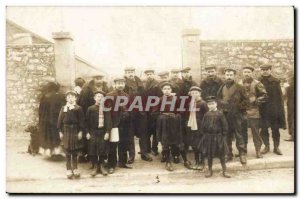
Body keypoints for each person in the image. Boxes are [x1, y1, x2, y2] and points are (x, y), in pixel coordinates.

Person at [154, 81, 192, 171]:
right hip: (164, 122)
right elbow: (154, 112)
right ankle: (168, 161)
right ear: (162, 90)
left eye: (168, 89)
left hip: (175, 122)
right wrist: (161, 117)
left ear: (171, 90)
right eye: (165, 89)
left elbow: (181, 110)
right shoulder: (159, 99)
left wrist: (177, 116)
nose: (166, 90)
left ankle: (184, 160)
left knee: (178, 140)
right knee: (165, 141)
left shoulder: (176, 99)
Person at [217, 67, 249, 165]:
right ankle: (228, 154)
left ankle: (242, 154)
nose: (229, 76)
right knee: (226, 135)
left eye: (231, 75)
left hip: (236, 115)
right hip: (225, 116)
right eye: (227, 75)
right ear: (224, 76)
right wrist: (222, 105)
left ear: (234, 76)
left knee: (239, 135)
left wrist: (238, 107)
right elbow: (217, 99)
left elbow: (246, 101)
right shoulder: (222, 87)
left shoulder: (240, 87)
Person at [77, 73, 111, 164]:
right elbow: (82, 103)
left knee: (101, 138)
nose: (99, 80)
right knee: (88, 136)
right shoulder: (86, 88)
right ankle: (86, 155)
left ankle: (102, 157)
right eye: (97, 78)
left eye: (100, 78)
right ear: (93, 79)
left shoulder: (106, 87)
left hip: (102, 114)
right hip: (90, 113)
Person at [198, 96, 230, 178]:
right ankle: (209, 170)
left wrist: (223, 136)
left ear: (216, 104)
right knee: (209, 154)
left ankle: (225, 170)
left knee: (221, 154)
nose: (211, 105)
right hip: (209, 137)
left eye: (212, 104)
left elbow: (225, 126)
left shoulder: (220, 114)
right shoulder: (206, 114)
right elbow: (203, 125)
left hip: (218, 137)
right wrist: (205, 134)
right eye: (209, 104)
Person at [124, 67, 152, 163]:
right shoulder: (123, 84)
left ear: (134, 72)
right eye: (128, 72)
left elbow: (146, 98)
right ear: (125, 74)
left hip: (141, 113)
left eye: (131, 72)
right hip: (130, 114)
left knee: (143, 134)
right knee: (130, 135)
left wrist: (144, 111)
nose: (130, 74)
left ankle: (144, 153)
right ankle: (131, 155)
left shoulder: (140, 83)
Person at [240, 66, 268, 158]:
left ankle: (258, 151)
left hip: (254, 111)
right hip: (242, 111)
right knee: (242, 132)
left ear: (252, 73)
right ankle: (243, 151)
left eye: (248, 72)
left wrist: (256, 100)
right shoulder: (239, 83)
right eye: (245, 72)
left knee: (255, 132)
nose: (247, 73)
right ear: (242, 73)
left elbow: (264, 95)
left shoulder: (257, 83)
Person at [57, 91, 86, 179]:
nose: (70, 98)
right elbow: (59, 121)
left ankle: (75, 168)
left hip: (75, 130)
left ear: (75, 98)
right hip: (66, 130)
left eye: (72, 97)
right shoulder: (63, 108)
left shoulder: (78, 108)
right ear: (66, 99)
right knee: (67, 150)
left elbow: (82, 121)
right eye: (68, 97)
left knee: (74, 151)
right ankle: (68, 169)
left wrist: (80, 131)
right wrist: (60, 132)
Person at [106, 77, 132, 174]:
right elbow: (107, 111)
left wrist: (127, 115)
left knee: (124, 143)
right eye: (118, 83)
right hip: (114, 123)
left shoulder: (127, 95)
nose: (120, 85)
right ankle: (111, 165)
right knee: (113, 144)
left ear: (124, 84)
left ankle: (122, 162)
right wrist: (110, 124)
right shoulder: (109, 95)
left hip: (125, 123)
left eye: (122, 83)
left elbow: (130, 108)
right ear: (115, 84)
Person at [259, 64, 286, 155]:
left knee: (275, 129)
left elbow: (280, 97)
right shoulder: (258, 81)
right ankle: (266, 146)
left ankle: (276, 147)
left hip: (274, 110)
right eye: (263, 69)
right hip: (262, 109)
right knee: (263, 129)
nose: (265, 71)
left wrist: (280, 110)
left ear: (270, 70)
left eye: (267, 69)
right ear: (260, 71)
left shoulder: (276, 81)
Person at [86, 91, 110, 177]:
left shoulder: (106, 109)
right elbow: (87, 122)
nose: (100, 98)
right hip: (93, 131)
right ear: (94, 98)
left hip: (102, 131)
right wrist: (87, 132)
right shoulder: (90, 109)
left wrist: (107, 132)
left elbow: (108, 121)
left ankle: (102, 166)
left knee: (102, 148)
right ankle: (95, 166)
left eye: (102, 97)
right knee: (93, 148)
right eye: (98, 97)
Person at [38, 81, 65, 157]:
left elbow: (40, 111)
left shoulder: (44, 97)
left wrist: (41, 120)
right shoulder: (59, 96)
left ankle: (48, 152)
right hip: (54, 120)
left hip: (45, 120)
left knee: (47, 135)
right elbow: (60, 109)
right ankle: (56, 152)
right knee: (54, 135)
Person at [186, 86, 208, 170]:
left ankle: (202, 162)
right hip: (192, 126)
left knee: (201, 144)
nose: (194, 94)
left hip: (200, 126)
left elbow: (206, 116)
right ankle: (196, 161)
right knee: (194, 145)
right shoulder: (190, 103)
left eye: (196, 93)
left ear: (200, 94)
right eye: (192, 93)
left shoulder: (203, 103)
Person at [143, 69, 161, 156]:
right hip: (146, 111)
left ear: (154, 74)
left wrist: (155, 110)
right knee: (146, 131)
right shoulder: (144, 85)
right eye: (147, 74)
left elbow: (159, 98)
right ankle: (147, 149)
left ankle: (155, 148)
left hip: (154, 111)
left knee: (155, 132)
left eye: (150, 74)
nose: (149, 76)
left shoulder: (157, 85)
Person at [285, 74, 294, 142]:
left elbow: (284, 96)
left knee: (291, 119)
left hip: (291, 105)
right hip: (290, 105)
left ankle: (293, 136)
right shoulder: (289, 87)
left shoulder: (289, 87)